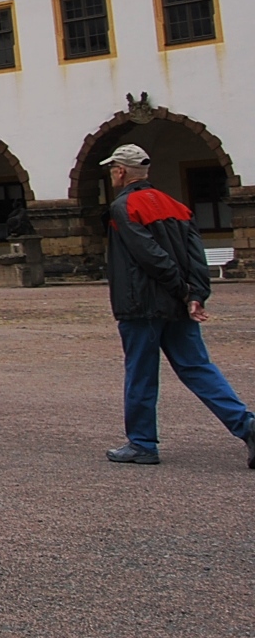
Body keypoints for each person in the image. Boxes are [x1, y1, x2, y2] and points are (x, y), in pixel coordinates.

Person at [100, 144, 255, 468]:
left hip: (141, 303)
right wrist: (196, 293)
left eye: (113, 168)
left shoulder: (123, 206)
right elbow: (197, 256)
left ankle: (142, 443)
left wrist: (183, 291)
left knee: (141, 374)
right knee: (198, 368)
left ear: (121, 171)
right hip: (177, 304)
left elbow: (149, 255)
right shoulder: (177, 206)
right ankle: (247, 425)